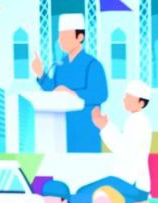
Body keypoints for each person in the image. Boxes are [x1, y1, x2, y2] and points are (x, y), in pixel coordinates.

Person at [73, 80, 158, 203]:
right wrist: (106, 126)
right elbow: (123, 146)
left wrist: (104, 126)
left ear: (141, 103)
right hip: (126, 180)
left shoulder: (139, 122)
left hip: (132, 185)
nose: (124, 100)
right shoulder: (135, 120)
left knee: (82, 197)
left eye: (129, 98)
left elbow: (125, 152)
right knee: (82, 193)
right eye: (125, 97)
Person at [32, 13, 108, 153]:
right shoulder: (60, 65)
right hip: (62, 128)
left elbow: (100, 94)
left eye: (66, 36)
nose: (61, 40)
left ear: (80, 37)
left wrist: (72, 93)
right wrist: (41, 74)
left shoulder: (92, 64)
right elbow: (53, 90)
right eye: (60, 36)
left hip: (85, 129)